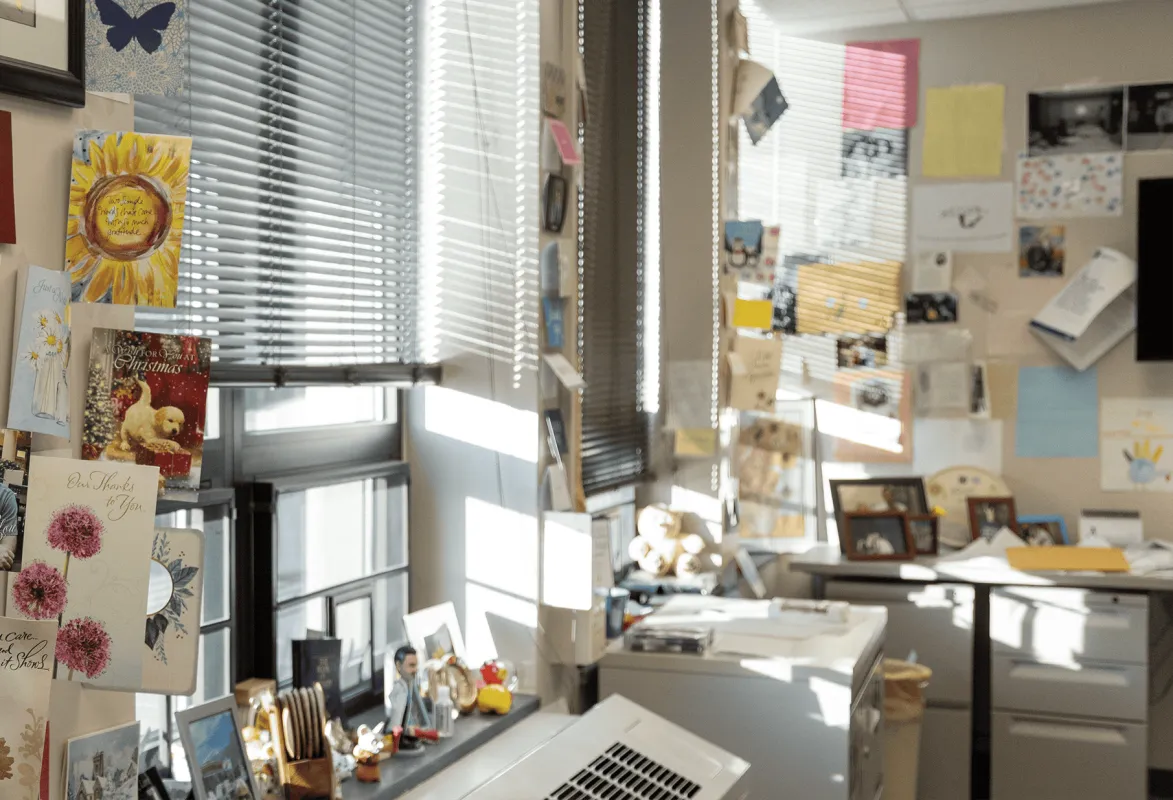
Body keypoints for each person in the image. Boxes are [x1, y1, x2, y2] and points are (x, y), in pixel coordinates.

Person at [385, 645, 431, 732]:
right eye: (411, 665)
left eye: (416, 665)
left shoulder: (411, 684)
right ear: (398, 666)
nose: (415, 670)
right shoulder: (399, 690)